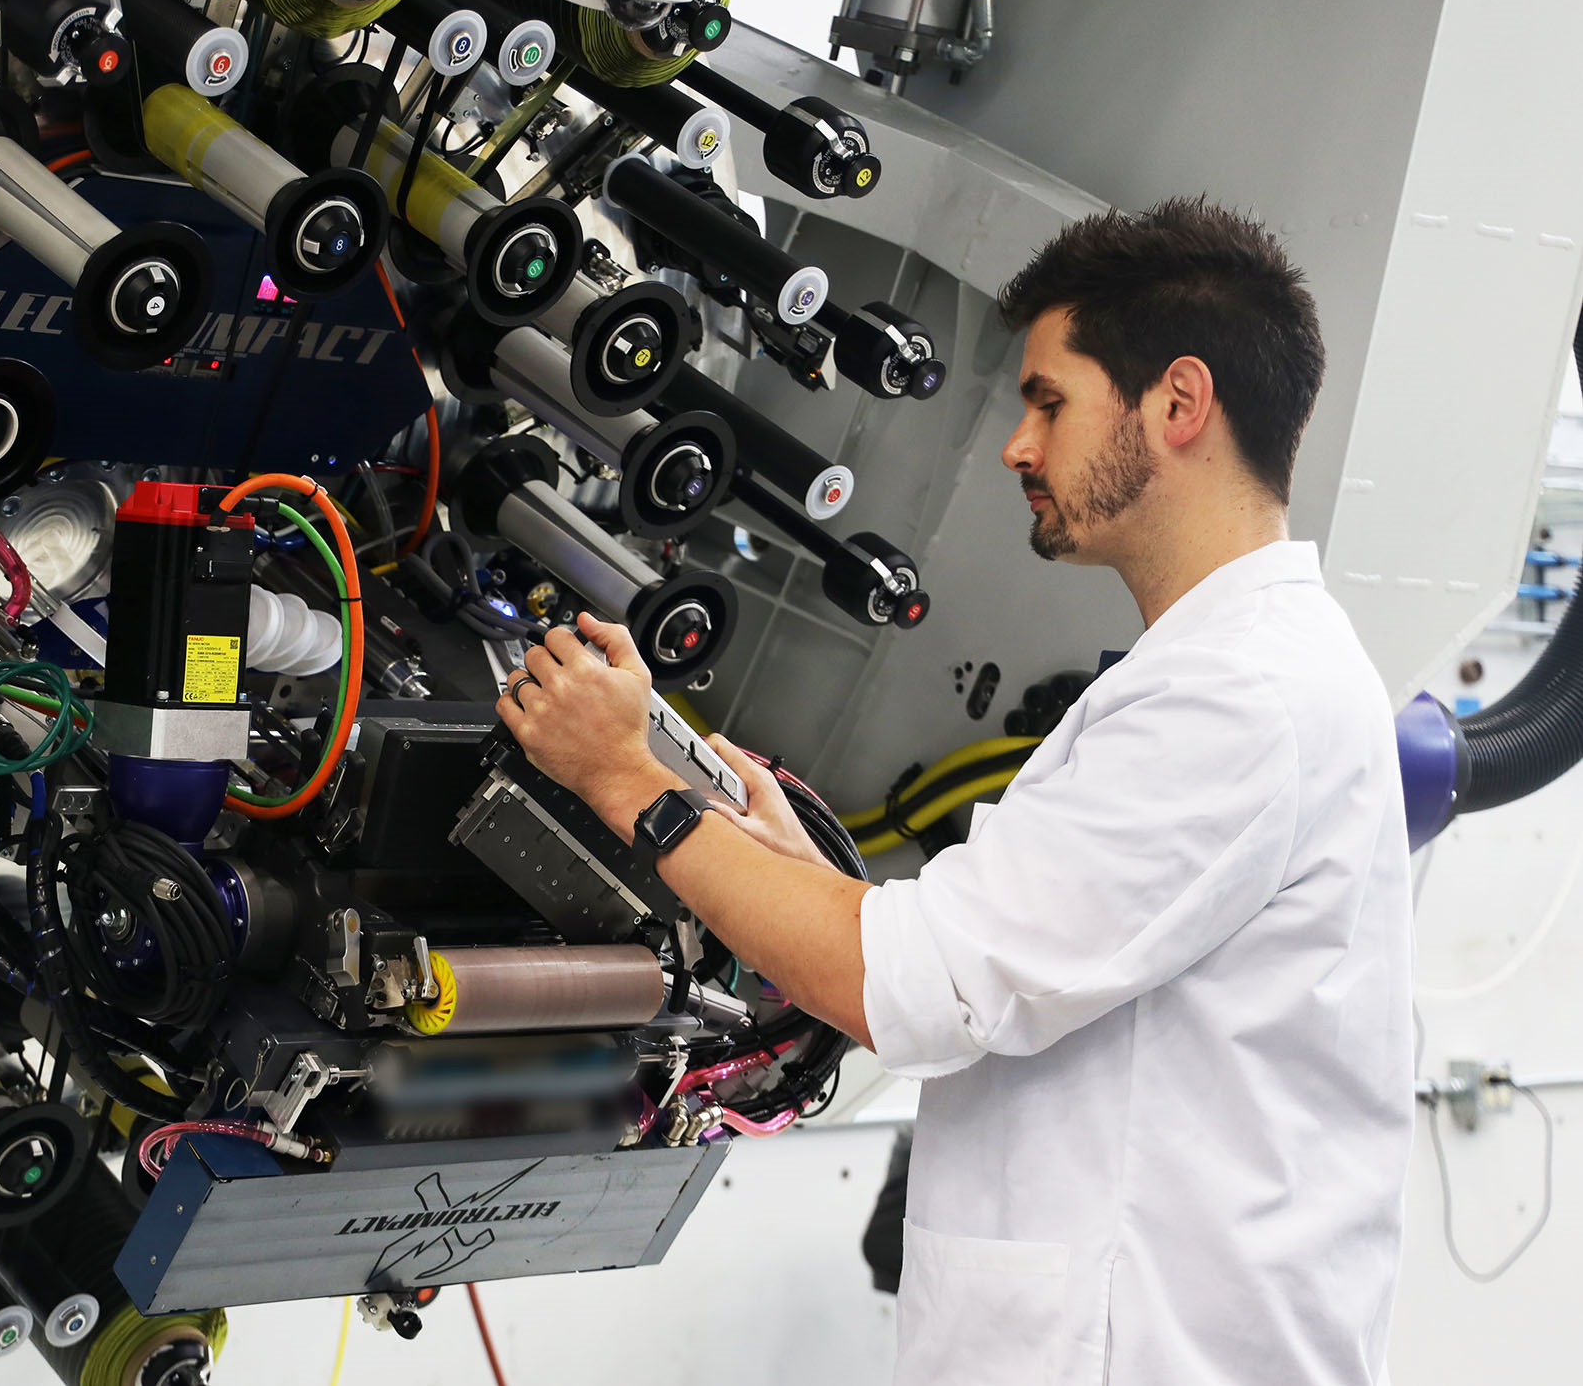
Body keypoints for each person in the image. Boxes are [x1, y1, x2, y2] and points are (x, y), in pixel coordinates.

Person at [497, 198, 1411, 1385]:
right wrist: (795, 874)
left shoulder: (1238, 697)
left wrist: (627, 781)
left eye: (1049, 402)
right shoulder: (1230, 672)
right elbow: (1002, 953)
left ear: (1178, 402)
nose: (1016, 447)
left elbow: (924, 989)